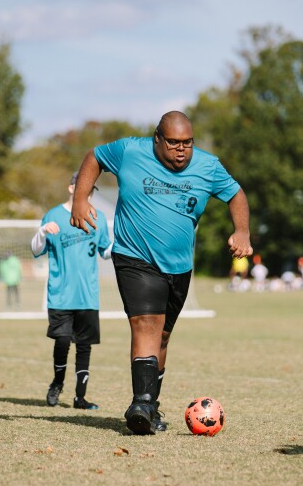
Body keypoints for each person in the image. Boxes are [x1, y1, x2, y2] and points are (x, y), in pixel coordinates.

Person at [70, 110, 252, 435]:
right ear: (157, 138)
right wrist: (80, 199)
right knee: (147, 324)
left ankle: (150, 407)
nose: (181, 150)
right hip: (134, 256)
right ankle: (140, 402)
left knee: (162, 336)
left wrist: (242, 231)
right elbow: (94, 156)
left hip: (179, 266)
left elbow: (235, 194)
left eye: (187, 143)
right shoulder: (129, 151)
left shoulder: (208, 166)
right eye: (173, 143)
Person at [31, 172, 112, 410]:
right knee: (63, 341)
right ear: (71, 188)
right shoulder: (53, 215)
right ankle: (57, 383)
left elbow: (106, 251)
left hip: (88, 295)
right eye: (82, 187)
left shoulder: (98, 217)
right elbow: (36, 250)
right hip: (60, 294)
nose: (87, 192)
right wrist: (42, 232)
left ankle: (80, 397)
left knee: (84, 346)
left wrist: (121, 245)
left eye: (91, 189)